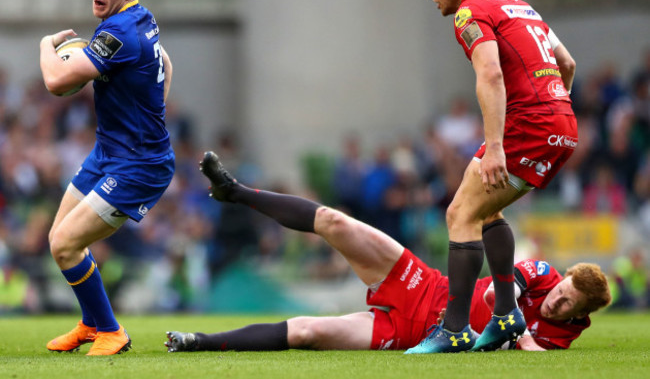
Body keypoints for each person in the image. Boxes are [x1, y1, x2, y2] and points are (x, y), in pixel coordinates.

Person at [164, 152, 610, 353]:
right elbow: (498, 295)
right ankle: (235, 191)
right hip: (425, 287)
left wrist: (522, 341)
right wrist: (517, 332)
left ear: (580, 314)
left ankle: (198, 343)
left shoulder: (565, 335)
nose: (556, 298)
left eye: (566, 302)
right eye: (562, 289)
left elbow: (535, 351)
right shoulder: (545, 275)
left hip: (411, 332)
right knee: (336, 222)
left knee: (307, 333)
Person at [408, 0, 579, 353]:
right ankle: (506, 315)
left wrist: (497, 147)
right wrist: (555, 110)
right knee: (487, 210)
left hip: (527, 125)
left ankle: (454, 330)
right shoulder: (520, 5)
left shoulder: (471, 12)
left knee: (460, 214)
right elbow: (567, 63)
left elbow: (490, 73)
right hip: (561, 122)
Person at [39, 0, 174, 355]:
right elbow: (165, 59)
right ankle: (90, 324)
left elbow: (56, 81)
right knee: (60, 241)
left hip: (139, 166)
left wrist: (45, 44)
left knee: (65, 244)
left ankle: (113, 331)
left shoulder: (117, 34)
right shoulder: (141, 19)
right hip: (109, 153)